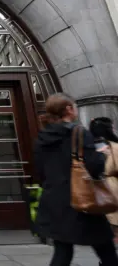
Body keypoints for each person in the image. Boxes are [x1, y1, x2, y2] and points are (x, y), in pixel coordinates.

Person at [33, 93, 118, 265]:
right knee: (106, 250)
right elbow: (94, 168)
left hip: (55, 200)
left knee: (63, 251)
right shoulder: (79, 133)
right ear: (69, 109)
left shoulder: (42, 138)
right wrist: (102, 155)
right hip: (81, 200)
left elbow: (40, 170)